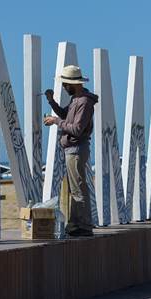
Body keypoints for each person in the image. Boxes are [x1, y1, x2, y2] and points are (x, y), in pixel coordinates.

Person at [43, 65, 98, 237]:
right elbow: (65, 115)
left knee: (78, 189)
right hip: (73, 149)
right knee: (76, 189)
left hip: (76, 149)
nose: (65, 87)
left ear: (75, 84)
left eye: (66, 84)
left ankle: (84, 226)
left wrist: (55, 121)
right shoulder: (77, 99)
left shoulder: (84, 102)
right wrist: (51, 101)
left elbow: (76, 129)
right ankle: (75, 225)